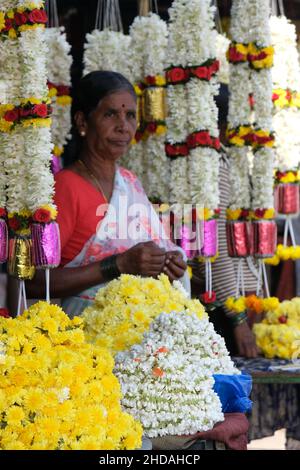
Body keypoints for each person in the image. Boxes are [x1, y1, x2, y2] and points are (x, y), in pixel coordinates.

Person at [26, 71, 188, 317]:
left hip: (145, 331)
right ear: (82, 122)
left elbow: (157, 247)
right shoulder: (66, 187)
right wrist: (118, 265)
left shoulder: (130, 182)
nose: (123, 126)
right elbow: (33, 281)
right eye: (111, 114)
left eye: (130, 115)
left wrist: (168, 261)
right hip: (84, 340)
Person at [191, 84, 258, 358]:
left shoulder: (220, 160)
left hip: (231, 302)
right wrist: (238, 318)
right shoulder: (212, 166)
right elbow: (212, 243)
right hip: (222, 306)